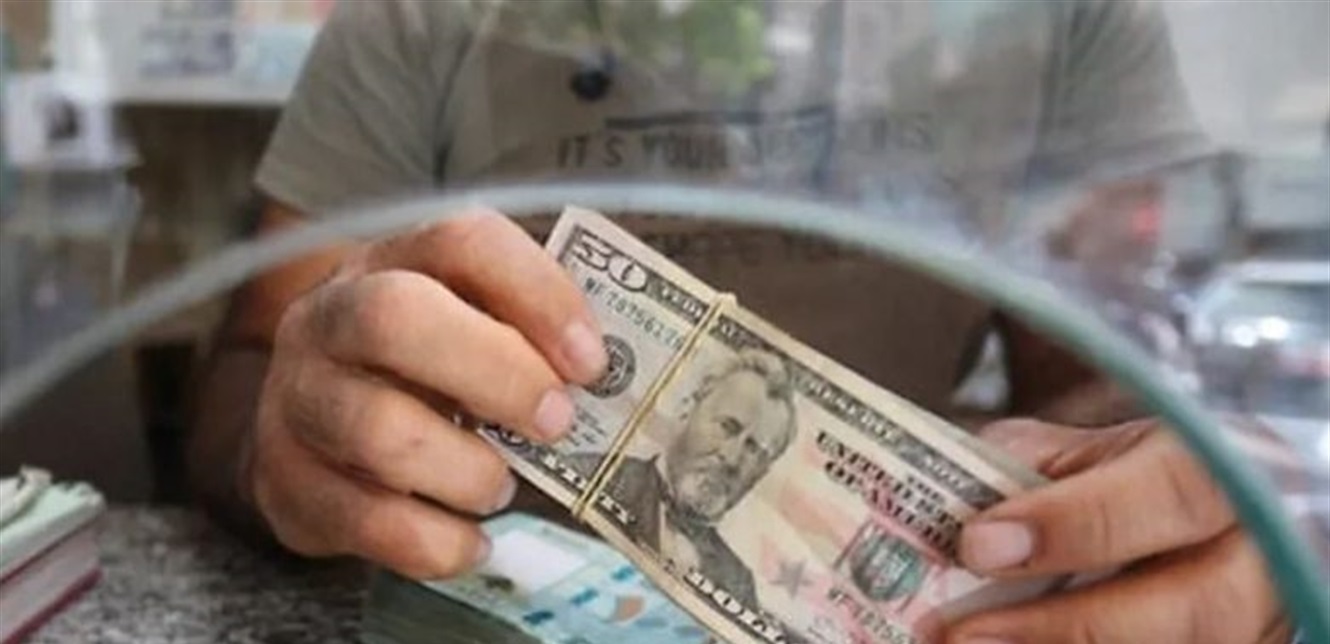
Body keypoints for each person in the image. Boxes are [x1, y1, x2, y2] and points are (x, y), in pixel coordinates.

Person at [186, 2, 1295, 643]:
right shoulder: (420, 17)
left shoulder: (1062, 17)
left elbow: (1133, 365)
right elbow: (259, 357)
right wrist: (292, 438)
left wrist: (1186, 498)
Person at [570, 350, 798, 608]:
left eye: (753, 450)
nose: (732, 458)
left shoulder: (738, 584)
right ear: (686, 411)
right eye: (727, 427)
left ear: (761, 474)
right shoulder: (588, 475)